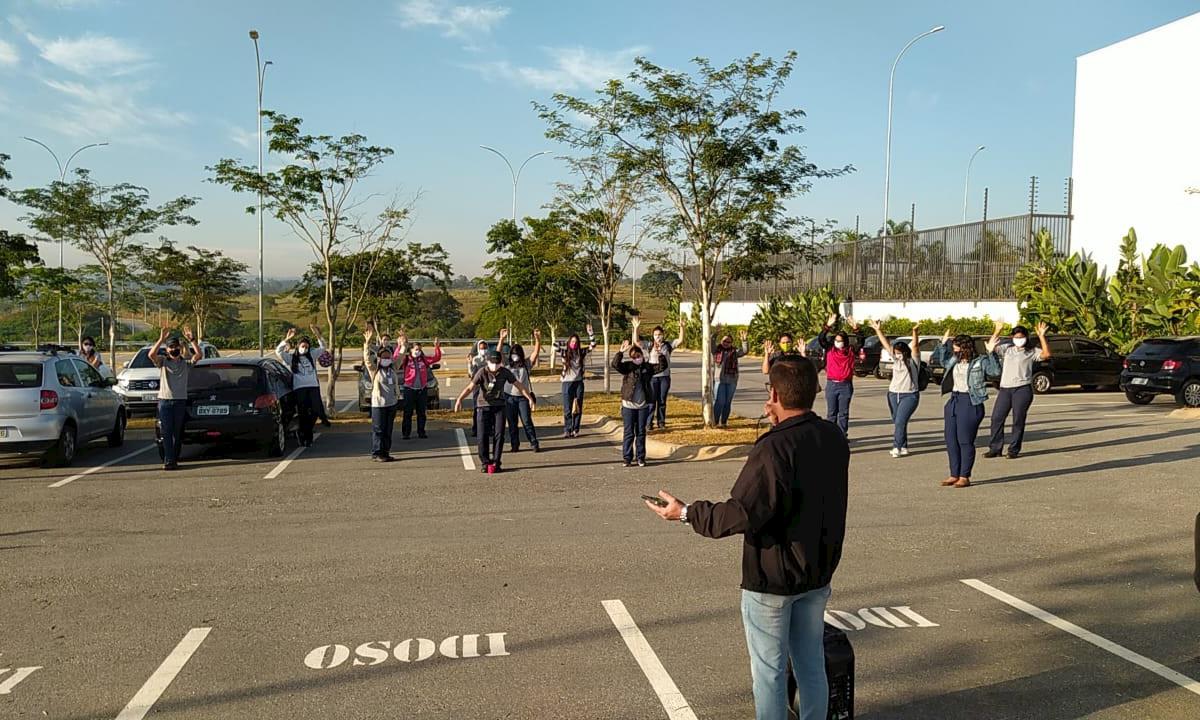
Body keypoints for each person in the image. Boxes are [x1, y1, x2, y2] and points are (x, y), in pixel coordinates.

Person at [645, 358, 848, 720]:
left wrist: (687, 512)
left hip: (772, 580)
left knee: (769, 673)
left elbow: (742, 512)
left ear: (773, 394)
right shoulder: (832, 436)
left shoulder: (774, 448)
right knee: (810, 663)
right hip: (817, 571)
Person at [931, 331, 1000, 488]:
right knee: (951, 440)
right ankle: (954, 473)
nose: (954, 349)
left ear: (965, 347)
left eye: (956, 346)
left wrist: (991, 352)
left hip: (970, 401)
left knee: (964, 440)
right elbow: (942, 362)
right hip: (954, 400)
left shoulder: (979, 362)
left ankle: (964, 475)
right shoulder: (955, 361)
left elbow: (995, 372)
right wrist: (942, 344)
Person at [454, 350, 537, 474]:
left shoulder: (504, 372)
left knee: (499, 435)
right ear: (487, 362)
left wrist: (529, 398)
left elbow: (518, 385)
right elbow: (470, 387)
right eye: (493, 363)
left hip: (499, 406)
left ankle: (496, 462)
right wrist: (459, 399)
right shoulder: (482, 372)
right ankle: (485, 461)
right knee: (482, 436)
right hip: (483, 406)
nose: (495, 365)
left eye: (497, 363)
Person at [985, 321, 1051, 459]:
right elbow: (991, 347)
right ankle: (995, 448)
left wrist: (1041, 336)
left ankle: (1013, 450)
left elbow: (1046, 354)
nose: (1018, 340)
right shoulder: (1007, 349)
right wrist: (997, 330)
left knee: (1018, 420)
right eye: (1016, 337)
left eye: (1021, 337)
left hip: (1022, 389)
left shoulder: (1031, 351)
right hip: (1005, 389)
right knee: (997, 418)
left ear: (1026, 338)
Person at [150, 326, 203, 471]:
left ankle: (175, 457)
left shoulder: (185, 364)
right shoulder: (163, 362)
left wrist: (191, 340)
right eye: (171, 347)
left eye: (176, 347)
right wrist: (161, 339)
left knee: (177, 432)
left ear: (180, 348)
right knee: (166, 432)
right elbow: (151, 355)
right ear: (167, 350)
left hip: (180, 401)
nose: (174, 350)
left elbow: (198, 355)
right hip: (165, 401)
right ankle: (169, 460)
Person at [869, 320, 921, 458]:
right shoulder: (895, 360)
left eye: (899, 352)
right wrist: (878, 330)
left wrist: (915, 332)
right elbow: (886, 344)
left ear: (904, 352)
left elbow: (915, 345)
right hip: (893, 394)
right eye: (895, 352)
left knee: (900, 421)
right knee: (898, 421)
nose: (897, 354)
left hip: (909, 395)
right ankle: (903, 446)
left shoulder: (913, 360)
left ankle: (896, 447)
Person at [612, 339, 668, 467]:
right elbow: (615, 365)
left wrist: (660, 354)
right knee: (629, 432)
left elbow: (662, 367)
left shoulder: (647, 368)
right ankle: (627, 458)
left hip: (643, 406)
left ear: (642, 355)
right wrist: (620, 353)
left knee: (641, 432)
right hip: (628, 406)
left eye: (638, 356)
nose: (637, 358)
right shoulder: (628, 367)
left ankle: (641, 457)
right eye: (634, 357)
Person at [633, 316, 685, 431]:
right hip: (652, 378)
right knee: (651, 401)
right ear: (653, 336)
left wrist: (682, 328)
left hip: (664, 378)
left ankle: (661, 422)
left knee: (662, 400)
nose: (658, 337)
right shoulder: (649, 345)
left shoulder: (667, 345)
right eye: (656, 335)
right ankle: (649, 422)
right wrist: (636, 328)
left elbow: (680, 341)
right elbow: (637, 342)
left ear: (663, 335)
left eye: (660, 334)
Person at [276, 327, 325, 447]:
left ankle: (307, 433)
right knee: (303, 413)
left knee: (314, 412)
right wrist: (287, 339)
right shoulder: (292, 358)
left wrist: (318, 335)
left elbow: (323, 347)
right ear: (298, 347)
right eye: (302, 346)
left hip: (313, 387)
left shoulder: (312, 356)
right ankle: (304, 437)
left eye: (306, 347)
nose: (304, 348)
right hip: (299, 388)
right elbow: (278, 351)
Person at [817, 314, 864, 437]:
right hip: (832, 384)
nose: (838, 343)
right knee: (832, 413)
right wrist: (827, 326)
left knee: (843, 413)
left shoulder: (850, 351)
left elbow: (861, 341)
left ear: (845, 342)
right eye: (836, 340)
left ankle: (842, 434)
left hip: (845, 385)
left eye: (841, 341)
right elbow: (821, 339)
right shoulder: (830, 350)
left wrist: (856, 328)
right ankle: (830, 435)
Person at [362, 325, 399, 462]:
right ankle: (376, 453)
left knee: (388, 430)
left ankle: (386, 452)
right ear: (379, 358)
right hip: (379, 405)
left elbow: (400, 356)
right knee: (379, 430)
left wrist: (402, 345)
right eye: (383, 357)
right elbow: (367, 359)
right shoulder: (375, 370)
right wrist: (367, 343)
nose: (386, 359)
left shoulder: (393, 369)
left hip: (391, 404)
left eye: (388, 357)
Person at [504, 330, 542, 453]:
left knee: (526, 421)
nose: (515, 356)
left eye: (517, 353)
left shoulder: (526, 364)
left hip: (523, 397)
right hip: (509, 397)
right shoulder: (507, 365)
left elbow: (535, 353)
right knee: (512, 423)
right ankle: (515, 444)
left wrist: (537, 339)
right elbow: (498, 353)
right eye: (513, 353)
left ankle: (534, 443)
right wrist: (501, 339)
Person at [397, 338, 442, 440]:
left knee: (421, 412)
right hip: (409, 389)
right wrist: (400, 346)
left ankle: (421, 431)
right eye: (416, 349)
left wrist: (437, 347)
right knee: (408, 412)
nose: (418, 351)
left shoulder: (423, 359)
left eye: (420, 350)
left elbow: (436, 358)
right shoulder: (406, 359)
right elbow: (397, 358)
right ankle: (406, 433)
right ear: (411, 350)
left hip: (422, 389)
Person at [559, 324, 595, 438]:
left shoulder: (581, 352)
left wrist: (590, 333)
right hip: (567, 382)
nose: (574, 343)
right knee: (567, 408)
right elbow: (555, 345)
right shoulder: (565, 353)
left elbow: (593, 345)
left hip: (578, 382)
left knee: (578, 406)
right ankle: (567, 429)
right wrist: (566, 344)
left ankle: (576, 429)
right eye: (572, 341)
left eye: (575, 341)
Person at [712, 330, 749, 427]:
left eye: (728, 342)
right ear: (721, 341)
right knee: (719, 401)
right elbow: (711, 343)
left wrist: (744, 340)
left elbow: (744, 351)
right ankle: (715, 421)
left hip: (732, 380)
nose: (726, 343)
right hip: (719, 380)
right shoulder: (717, 350)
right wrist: (715, 333)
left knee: (727, 402)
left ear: (731, 343)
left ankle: (724, 422)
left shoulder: (734, 352)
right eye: (724, 341)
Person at [467, 339, 489, 438]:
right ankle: (475, 429)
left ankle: (489, 428)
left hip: (488, 386)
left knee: (489, 407)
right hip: (477, 386)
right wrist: (469, 363)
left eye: (484, 348)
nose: (483, 350)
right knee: (477, 408)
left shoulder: (490, 358)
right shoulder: (475, 359)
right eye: (481, 348)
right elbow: (471, 373)